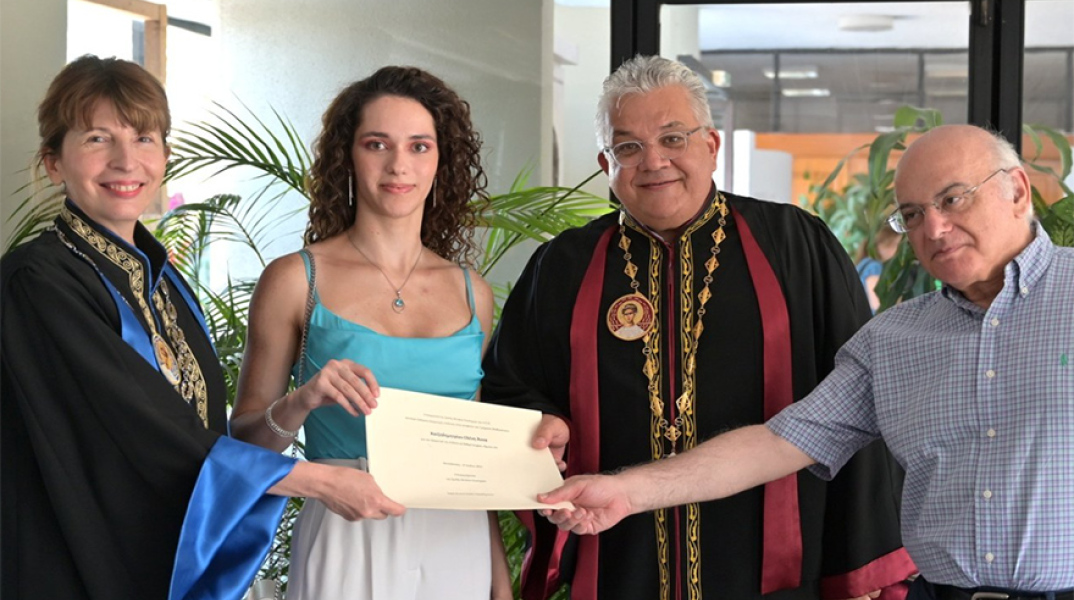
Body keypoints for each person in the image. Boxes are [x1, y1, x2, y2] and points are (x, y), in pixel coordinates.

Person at [540, 124, 1074, 600]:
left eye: (953, 199)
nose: (933, 229)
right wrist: (624, 492)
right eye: (912, 214)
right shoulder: (894, 339)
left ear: (1017, 191)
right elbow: (778, 443)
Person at [482, 55, 914, 600]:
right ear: (606, 163)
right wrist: (546, 428)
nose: (653, 161)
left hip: (772, 565)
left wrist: (858, 570)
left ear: (711, 145)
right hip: (618, 556)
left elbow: (855, 404)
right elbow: (510, 388)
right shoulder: (562, 266)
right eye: (628, 147)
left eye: (672, 138)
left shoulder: (795, 244)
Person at [0, 55, 405, 600]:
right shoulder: (36, 281)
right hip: (70, 564)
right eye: (98, 139)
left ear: (164, 156)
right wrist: (318, 480)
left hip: (157, 559)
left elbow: (206, 432)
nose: (126, 161)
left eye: (144, 139)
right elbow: (140, 427)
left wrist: (301, 402)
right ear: (54, 163)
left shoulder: (164, 283)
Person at [229, 66, 511, 600]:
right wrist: (301, 401)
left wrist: (499, 577)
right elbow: (243, 443)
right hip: (346, 531)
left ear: (442, 160)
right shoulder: (296, 279)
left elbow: (471, 459)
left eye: (419, 146)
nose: (399, 165)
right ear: (348, 156)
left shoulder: (472, 292)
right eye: (377, 144)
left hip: (458, 539)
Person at [855, 225, 902, 312]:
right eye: (896, 245)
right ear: (882, 245)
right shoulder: (874, 267)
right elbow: (878, 307)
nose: (899, 251)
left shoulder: (864, 263)